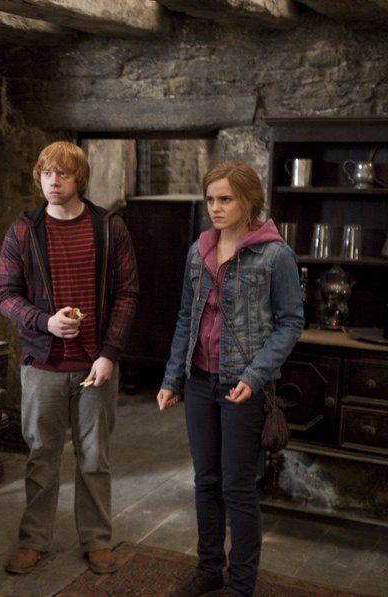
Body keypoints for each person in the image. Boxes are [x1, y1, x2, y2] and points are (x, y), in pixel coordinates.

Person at [157, 161, 303, 597]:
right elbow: (187, 317)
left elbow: (290, 323)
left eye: (226, 199)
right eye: (210, 199)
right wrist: (172, 378)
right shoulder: (199, 250)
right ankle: (209, 570)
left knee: (237, 487)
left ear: (249, 201)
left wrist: (255, 376)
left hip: (243, 385)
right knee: (206, 481)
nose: (215, 208)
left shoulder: (275, 255)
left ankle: (240, 585)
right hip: (200, 380)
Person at [0, 141, 139, 576]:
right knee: (41, 457)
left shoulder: (109, 228)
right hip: (43, 364)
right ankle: (33, 541)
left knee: (94, 459)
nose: (53, 182)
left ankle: (97, 541)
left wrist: (109, 354)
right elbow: (5, 295)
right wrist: (45, 322)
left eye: (63, 174)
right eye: (46, 173)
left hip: (96, 366)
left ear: (80, 179)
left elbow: (127, 294)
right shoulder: (24, 230)